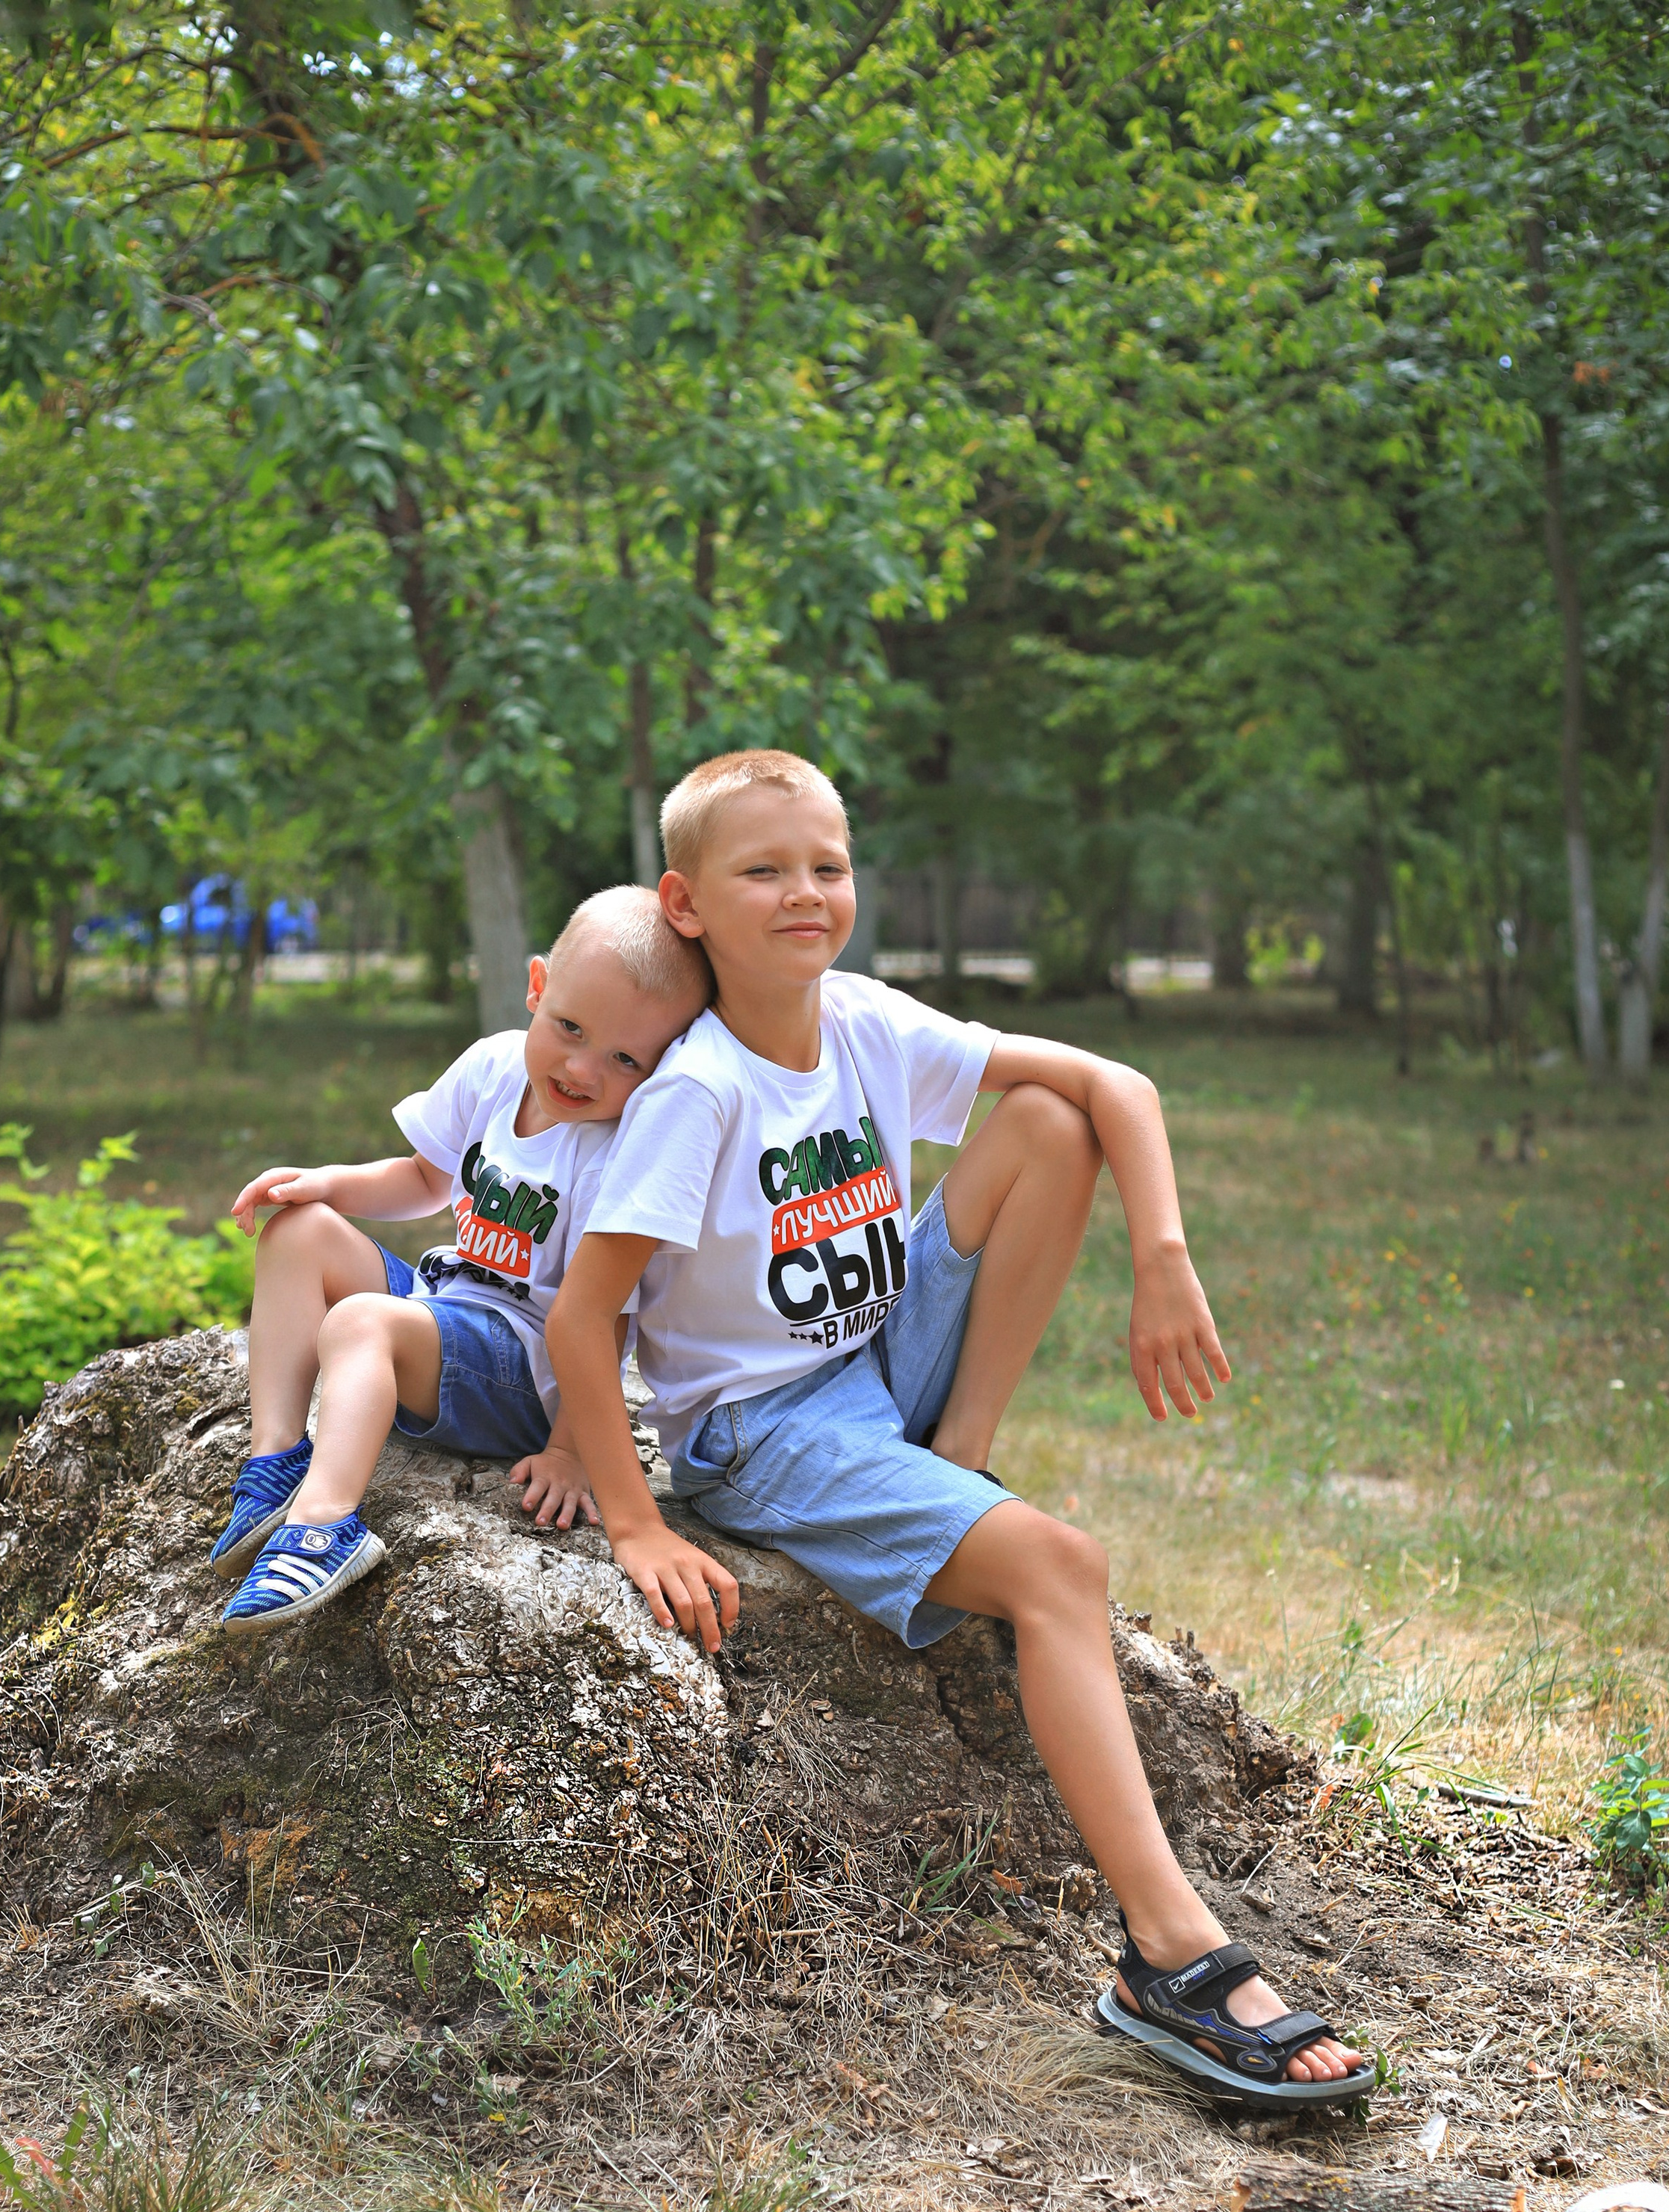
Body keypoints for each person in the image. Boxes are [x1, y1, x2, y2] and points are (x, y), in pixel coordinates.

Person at [546, 753, 1370, 2104]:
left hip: (877, 1360)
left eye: (827, 864)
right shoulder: (700, 1095)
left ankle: (957, 1450)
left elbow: (1119, 1086)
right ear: (687, 904)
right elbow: (584, 1320)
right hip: (761, 1426)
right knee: (1062, 1568)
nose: (806, 892)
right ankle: (1168, 1958)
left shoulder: (862, 1021)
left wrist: (1162, 1256)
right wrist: (635, 1520)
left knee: (1049, 1117)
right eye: (764, 871)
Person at [208, 885, 710, 1634]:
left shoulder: (618, 1153)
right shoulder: (496, 1067)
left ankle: (323, 1524)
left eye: (625, 1059)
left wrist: (570, 1450)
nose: (582, 1068)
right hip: (450, 1309)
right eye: (569, 1027)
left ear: (663, 1063)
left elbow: (602, 1319)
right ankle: (277, 1458)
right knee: (298, 1231)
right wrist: (326, 1184)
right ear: (537, 987)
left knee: (360, 1324)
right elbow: (422, 1178)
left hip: (524, 1373)